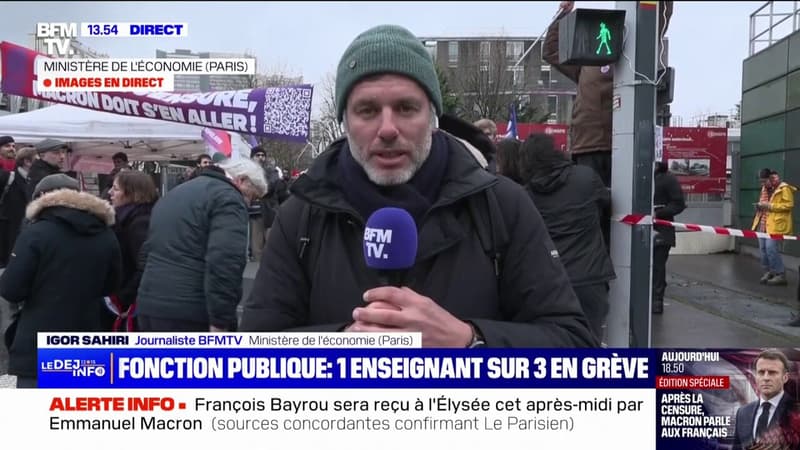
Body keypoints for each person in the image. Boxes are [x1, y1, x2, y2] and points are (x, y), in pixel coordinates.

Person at [240, 24, 596, 348]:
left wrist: (470, 341)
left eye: (407, 108)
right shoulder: (300, 216)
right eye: (366, 110)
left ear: (433, 116)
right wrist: (339, 346)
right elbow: (253, 355)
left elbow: (574, 343)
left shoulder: (503, 205)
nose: (388, 128)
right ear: (344, 122)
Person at [544, 0, 673, 249]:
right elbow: (551, 51)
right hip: (586, 148)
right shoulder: (585, 62)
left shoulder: (633, 58)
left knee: (622, 217)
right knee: (591, 218)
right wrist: (562, 14)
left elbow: (658, 21)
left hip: (623, 147)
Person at [0, 174, 121, 388]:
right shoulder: (105, 233)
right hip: (87, 335)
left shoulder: (35, 232)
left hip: (39, 339)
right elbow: (112, 285)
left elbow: (11, 289)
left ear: (44, 197)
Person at [499, 133, 615, 341]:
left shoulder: (525, 195)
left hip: (550, 282)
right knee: (589, 345)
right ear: (555, 152)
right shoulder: (585, 178)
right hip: (589, 279)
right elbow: (607, 204)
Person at [136, 158, 267, 332]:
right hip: (191, 312)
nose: (250, 203)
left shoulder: (175, 193)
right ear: (241, 180)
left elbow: (146, 253)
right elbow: (225, 262)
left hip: (149, 304)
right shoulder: (228, 199)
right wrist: (221, 321)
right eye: (252, 196)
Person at [106, 170, 159, 331]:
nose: (110, 192)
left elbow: (145, 267)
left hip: (132, 306)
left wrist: (123, 299)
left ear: (132, 193)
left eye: (115, 189)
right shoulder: (130, 217)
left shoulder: (139, 222)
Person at [732, 349, 799, 450]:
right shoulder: (743, 412)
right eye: (761, 372)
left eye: (772, 373)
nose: (766, 378)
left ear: (785, 378)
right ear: (755, 377)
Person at [751, 168, 796, 286]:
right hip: (763, 223)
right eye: (761, 182)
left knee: (771, 248)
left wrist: (770, 206)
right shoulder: (765, 189)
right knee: (763, 250)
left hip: (776, 224)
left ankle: (780, 274)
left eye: (764, 181)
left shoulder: (784, 188)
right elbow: (764, 204)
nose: (762, 184)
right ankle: (769, 272)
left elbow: (789, 205)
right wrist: (759, 206)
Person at [652, 161, 686, 314]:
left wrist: (659, 213)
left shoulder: (667, 179)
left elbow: (679, 203)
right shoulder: (637, 175)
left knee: (658, 266)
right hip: (638, 228)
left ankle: (656, 300)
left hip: (662, 228)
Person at [0, 147, 36, 267]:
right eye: (37, 160)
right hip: (7, 235)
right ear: (27, 161)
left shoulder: (33, 180)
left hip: (23, 235)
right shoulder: (6, 177)